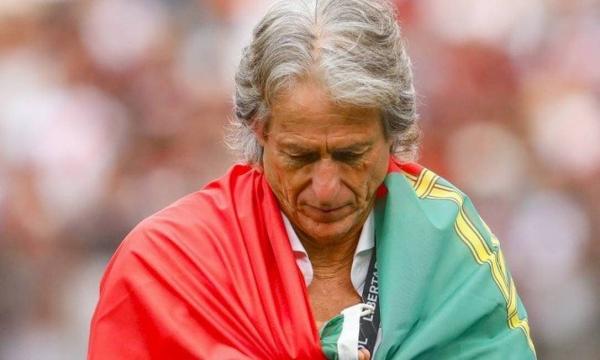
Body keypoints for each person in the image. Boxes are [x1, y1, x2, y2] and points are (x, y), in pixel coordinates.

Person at [88, 0, 536, 359]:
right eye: (299, 155)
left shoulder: (447, 244)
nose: (325, 188)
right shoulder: (168, 265)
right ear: (258, 131)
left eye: (350, 155)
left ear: (392, 134)